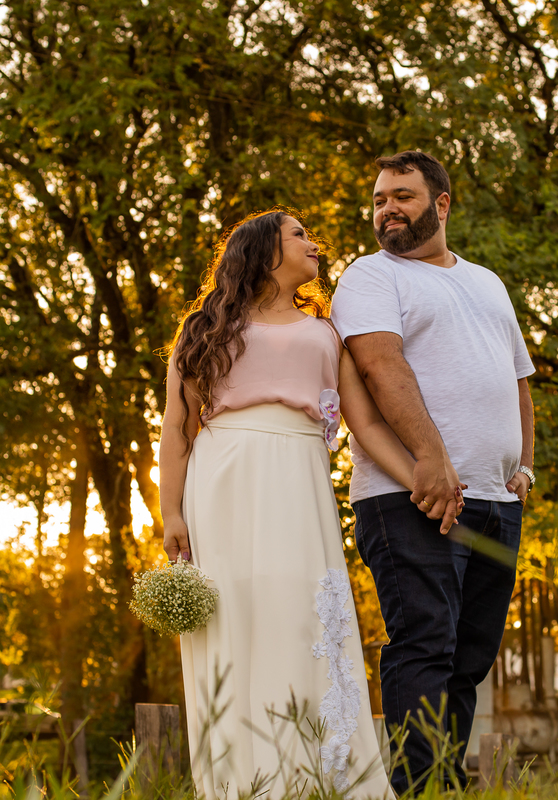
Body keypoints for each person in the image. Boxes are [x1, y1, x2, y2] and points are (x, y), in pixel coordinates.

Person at [158, 210, 410, 800]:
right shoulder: (203, 329)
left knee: (301, 614)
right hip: (222, 479)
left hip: (299, 478)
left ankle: (319, 778)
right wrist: (170, 513)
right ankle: (238, 783)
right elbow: (176, 428)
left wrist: (420, 478)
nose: (313, 243)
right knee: (233, 618)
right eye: (299, 234)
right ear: (264, 250)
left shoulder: (326, 332)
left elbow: (364, 423)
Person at [330, 151, 536, 793]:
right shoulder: (370, 276)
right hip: (409, 498)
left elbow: (519, 380)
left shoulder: (488, 283)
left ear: (441, 204)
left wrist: (525, 462)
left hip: (496, 503)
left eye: (403, 197)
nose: (387, 209)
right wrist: (432, 460)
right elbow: (381, 366)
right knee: (425, 644)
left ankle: (444, 783)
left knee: (470, 657)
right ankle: (418, 789)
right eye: (379, 200)